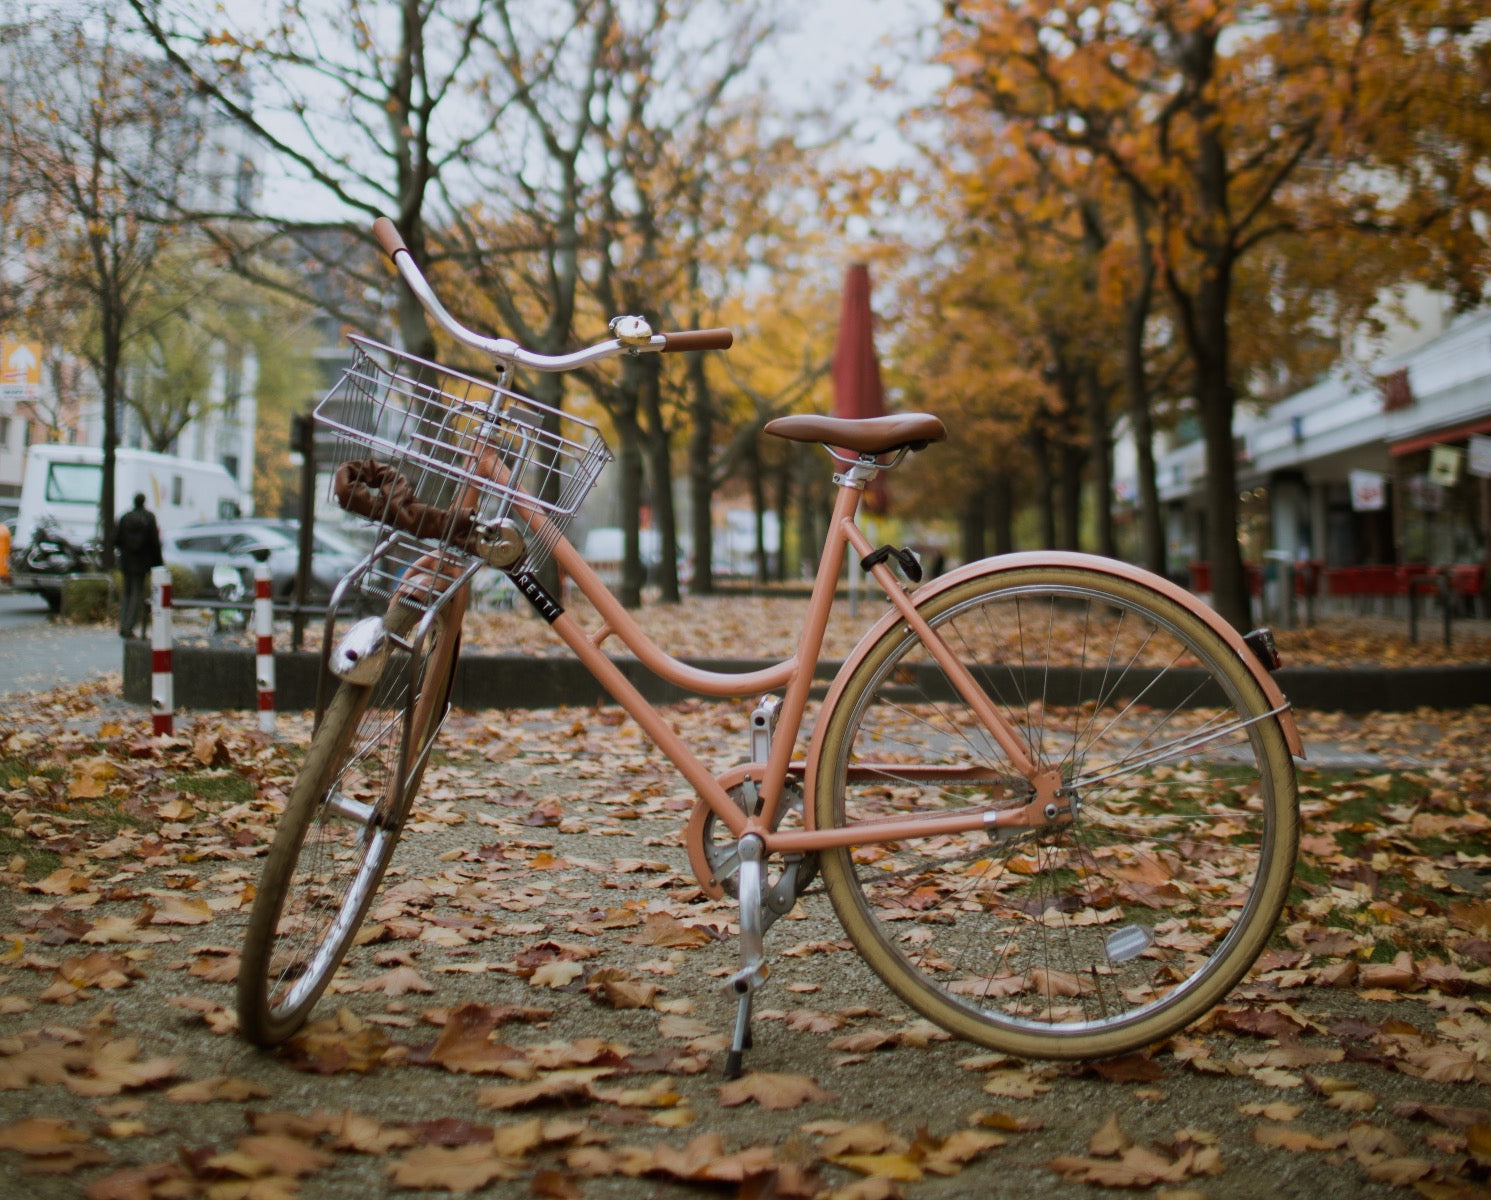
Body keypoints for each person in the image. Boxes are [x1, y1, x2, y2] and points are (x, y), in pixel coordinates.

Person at [113, 492, 162, 639]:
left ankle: (123, 624)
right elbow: (154, 543)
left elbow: (115, 539)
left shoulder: (125, 517)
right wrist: (158, 563)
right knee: (137, 593)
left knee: (126, 593)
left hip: (127, 560)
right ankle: (129, 625)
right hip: (142, 562)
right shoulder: (149, 518)